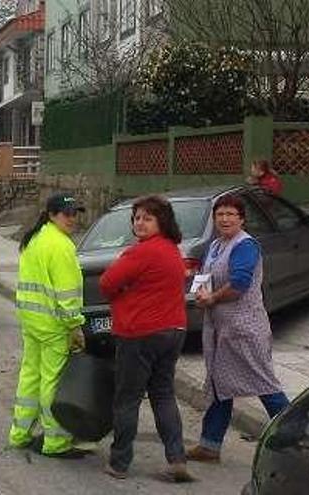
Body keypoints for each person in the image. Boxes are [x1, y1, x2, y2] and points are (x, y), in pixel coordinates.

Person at [188, 193, 289, 463]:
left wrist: (213, 298)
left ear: (242, 219)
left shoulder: (245, 246)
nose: (224, 219)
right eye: (220, 214)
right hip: (221, 329)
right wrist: (200, 293)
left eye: (231, 214)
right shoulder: (217, 245)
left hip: (244, 329)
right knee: (220, 386)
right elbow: (207, 276)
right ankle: (210, 445)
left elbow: (239, 284)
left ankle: (298, 439)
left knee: (264, 385)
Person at [99, 196, 193, 482]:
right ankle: (177, 458)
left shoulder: (141, 252)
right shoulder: (172, 251)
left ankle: (119, 462)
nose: (139, 222)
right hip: (173, 330)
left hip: (139, 333)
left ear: (161, 222)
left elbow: (106, 284)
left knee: (127, 398)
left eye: (147, 218)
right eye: (137, 217)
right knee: (163, 394)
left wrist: (123, 291)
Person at [8, 194, 87, 458]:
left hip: (31, 320)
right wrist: (75, 326)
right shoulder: (61, 246)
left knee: (30, 376)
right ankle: (55, 442)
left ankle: (19, 434)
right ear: (52, 214)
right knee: (51, 381)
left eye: (75, 214)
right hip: (53, 325)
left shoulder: (34, 239)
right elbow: (67, 295)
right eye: (68, 214)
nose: (73, 219)